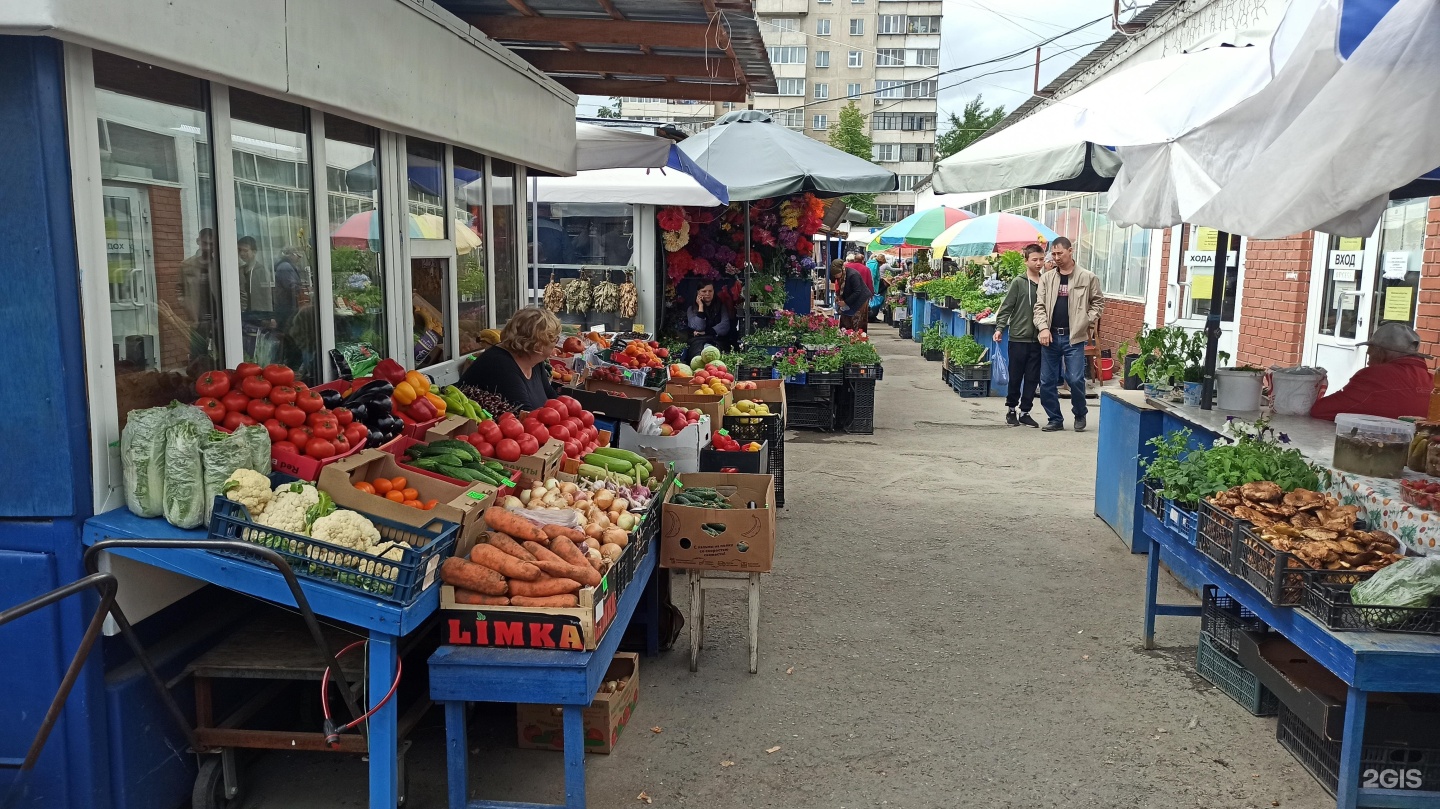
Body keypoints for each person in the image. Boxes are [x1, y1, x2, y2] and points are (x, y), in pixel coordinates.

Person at [1033, 236, 1103, 432]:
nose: (1056, 258)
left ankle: (1080, 413)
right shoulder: (1047, 278)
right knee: (1046, 381)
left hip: (1074, 337)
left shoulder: (1088, 277)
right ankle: (1055, 418)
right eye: (1053, 254)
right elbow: (1039, 307)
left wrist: (1086, 320)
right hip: (1051, 336)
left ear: (1070, 251)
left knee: (1074, 379)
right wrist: (1043, 328)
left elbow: (1098, 303)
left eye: (1059, 253)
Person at [1309, 322, 1432, 420]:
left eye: (1370, 355)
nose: (1368, 363)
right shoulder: (1433, 382)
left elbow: (1321, 411)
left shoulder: (1374, 377)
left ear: (1381, 353)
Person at [458, 307, 561, 411]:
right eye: (556, 339)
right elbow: (525, 415)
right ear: (538, 347)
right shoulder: (500, 365)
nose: (556, 343)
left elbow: (552, 397)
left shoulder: (534, 361)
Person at [995, 244, 1046, 428]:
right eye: (1034, 259)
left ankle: (1025, 411)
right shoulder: (1019, 282)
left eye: (1041, 259)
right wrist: (1000, 328)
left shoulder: (1046, 282)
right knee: (1016, 376)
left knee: (1033, 378)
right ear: (1026, 261)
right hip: (1018, 338)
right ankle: (1011, 410)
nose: (1039, 263)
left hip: (1039, 340)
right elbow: (1007, 306)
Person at [685, 280, 732, 360]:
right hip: (697, 341)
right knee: (698, 355)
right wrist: (701, 307)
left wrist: (706, 332)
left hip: (717, 339)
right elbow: (699, 327)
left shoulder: (720, 307)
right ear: (698, 293)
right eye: (704, 291)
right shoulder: (691, 309)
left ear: (714, 292)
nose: (707, 294)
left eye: (710, 291)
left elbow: (725, 325)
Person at [831, 259, 870, 332]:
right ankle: (846, 336)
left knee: (857, 323)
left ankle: (857, 339)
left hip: (860, 300)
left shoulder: (853, 275)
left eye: (837, 274)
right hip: (850, 299)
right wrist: (839, 296)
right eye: (835, 275)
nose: (836, 276)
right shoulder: (841, 277)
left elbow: (857, 291)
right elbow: (842, 289)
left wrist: (845, 302)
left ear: (842, 269)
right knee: (845, 322)